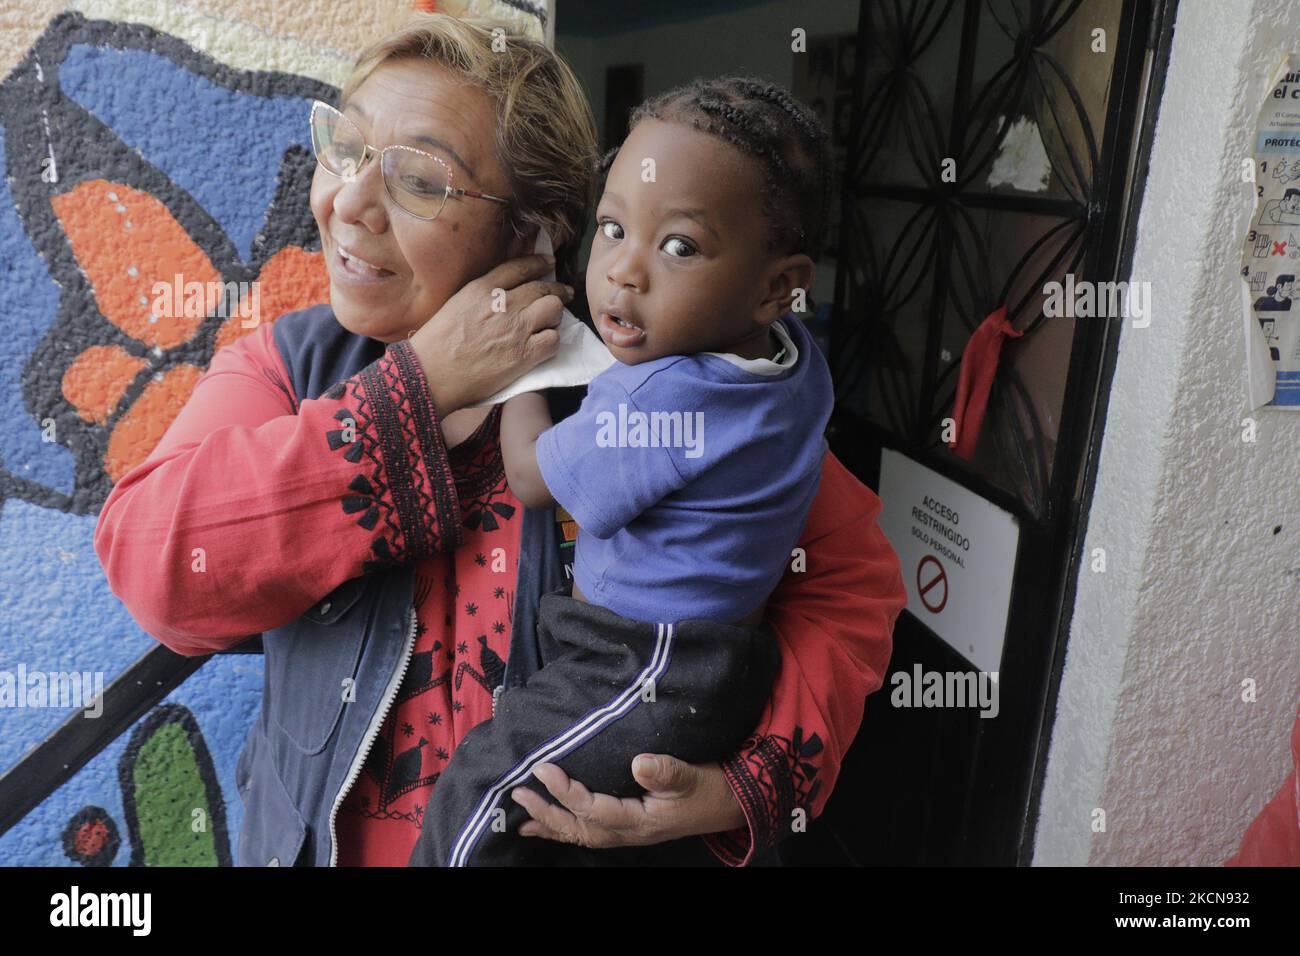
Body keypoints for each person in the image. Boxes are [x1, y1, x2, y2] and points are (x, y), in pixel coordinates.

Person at [93, 14, 907, 867]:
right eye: (346, 148)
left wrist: (751, 783)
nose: (349, 202)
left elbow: (847, 583)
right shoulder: (290, 367)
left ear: (534, 231)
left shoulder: (652, 385)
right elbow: (157, 570)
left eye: (419, 179)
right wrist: (419, 388)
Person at [411, 77, 835, 866]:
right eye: (611, 229)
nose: (623, 273)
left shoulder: (662, 393)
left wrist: (519, 382)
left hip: (643, 666)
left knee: (484, 786)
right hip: (716, 662)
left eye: (679, 246)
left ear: (779, 285)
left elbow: (535, 478)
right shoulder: (795, 368)